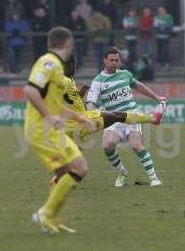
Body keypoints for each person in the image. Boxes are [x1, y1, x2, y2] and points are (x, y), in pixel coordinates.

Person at [24, 26, 96, 234]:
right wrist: (48, 116)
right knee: (80, 168)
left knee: (64, 172)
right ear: (69, 44)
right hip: (42, 129)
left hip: (47, 129)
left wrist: (80, 117)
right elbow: (29, 90)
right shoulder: (50, 63)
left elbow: (55, 104)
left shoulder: (54, 67)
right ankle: (45, 214)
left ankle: (51, 218)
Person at [86, 47, 167, 187]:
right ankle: (122, 172)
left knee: (136, 145)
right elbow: (90, 103)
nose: (114, 62)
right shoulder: (98, 81)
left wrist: (156, 97)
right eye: (111, 60)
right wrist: (92, 114)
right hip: (113, 118)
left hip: (131, 116)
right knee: (107, 145)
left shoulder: (125, 74)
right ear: (104, 60)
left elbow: (139, 86)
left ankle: (154, 178)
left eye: (117, 60)